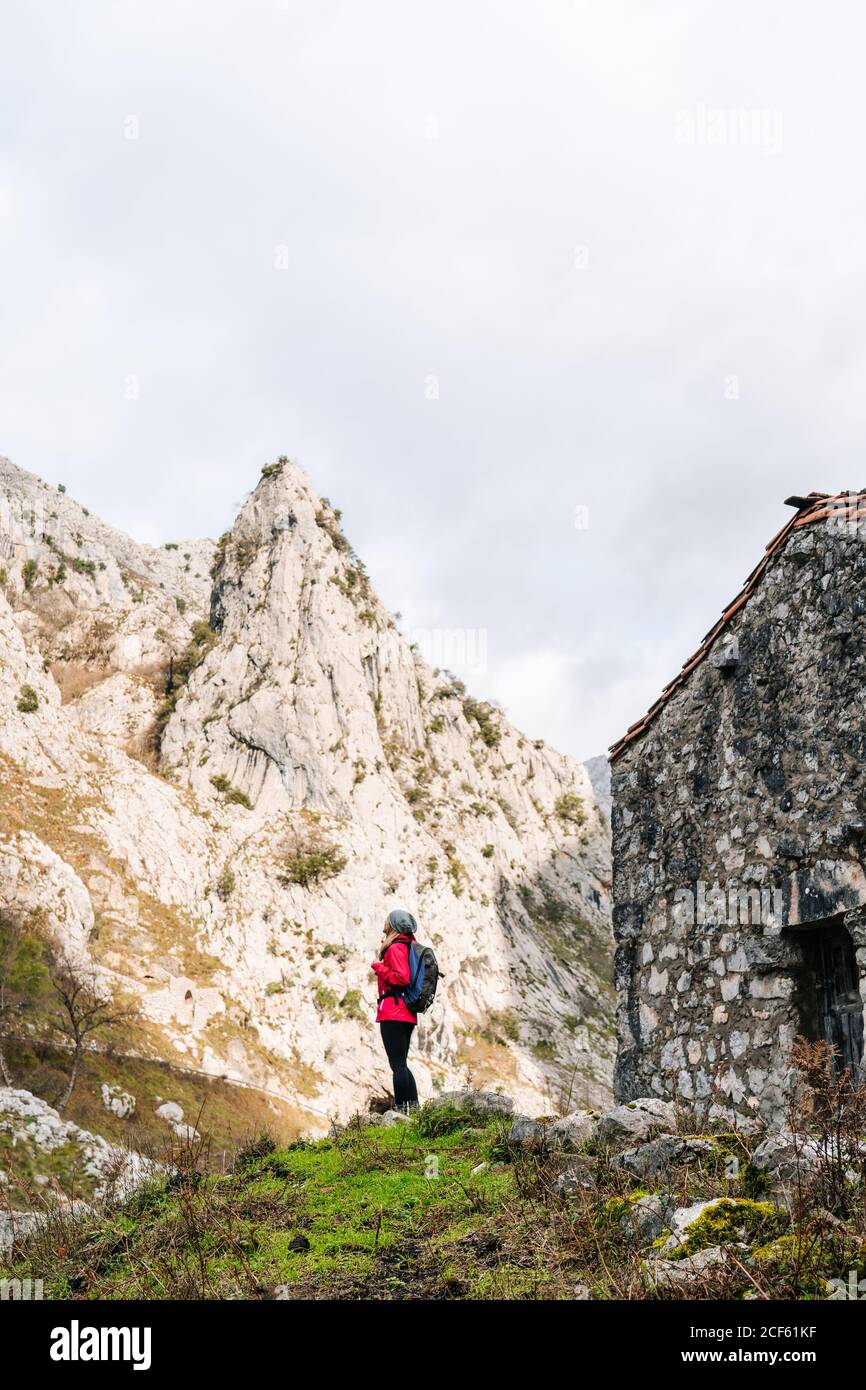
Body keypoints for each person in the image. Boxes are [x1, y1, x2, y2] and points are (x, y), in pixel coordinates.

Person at [371, 908, 419, 1110]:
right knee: (401, 1063)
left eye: (387, 919)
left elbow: (402, 978)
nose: (384, 921)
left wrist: (378, 966)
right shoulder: (407, 946)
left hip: (394, 1012)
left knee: (397, 1065)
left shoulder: (396, 948)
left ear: (393, 925)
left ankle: (402, 1109)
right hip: (405, 1012)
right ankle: (414, 1107)